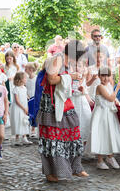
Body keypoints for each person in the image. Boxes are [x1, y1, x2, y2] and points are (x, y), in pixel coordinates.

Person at [37, 40, 89, 182]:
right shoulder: (58, 59)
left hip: (63, 100)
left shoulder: (65, 61)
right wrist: (71, 77)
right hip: (52, 102)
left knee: (72, 130)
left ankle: (75, 167)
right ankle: (51, 173)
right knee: (52, 137)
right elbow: (51, 79)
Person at [90, 67, 120, 169]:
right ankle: (100, 160)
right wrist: (117, 89)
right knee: (101, 135)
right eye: (103, 76)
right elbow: (110, 98)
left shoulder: (109, 85)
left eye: (107, 76)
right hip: (101, 114)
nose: (105, 78)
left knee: (109, 134)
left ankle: (110, 156)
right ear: (99, 76)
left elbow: (113, 99)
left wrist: (117, 101)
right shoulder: (99, 87)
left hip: (109, 113)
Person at [70, 57, 93, 151]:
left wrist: (90, 101)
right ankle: (72, 145)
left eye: (79, 66)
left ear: (83, 68)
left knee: (85, 121)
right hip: (73, 102)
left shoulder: (83, 79)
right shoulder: (70, 78)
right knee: (73, 122)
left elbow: (85, 92)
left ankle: (83, 145)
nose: (77, 67)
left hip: (82, 102)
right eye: (75, 65)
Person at [10, 71, 31, 146]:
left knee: (24, 121)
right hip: (18, 108)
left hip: (24, 107)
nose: (26, 80)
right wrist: (23, 108)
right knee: (18, 121)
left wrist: (27, 108)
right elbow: (17, 100)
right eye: (25, 78)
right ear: (21, 79)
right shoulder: (16, 89)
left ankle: (24, 137)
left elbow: (26, 99)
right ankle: (17, 138)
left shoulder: (24, 88)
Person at [25, 62, 39, 137]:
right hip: (27, 98)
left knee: (34, 114)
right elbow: (24, 87)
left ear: (30, 70)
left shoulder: (36, 78)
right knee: (27, 114)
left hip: (34, 98)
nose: (24, 70)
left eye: (26, 69)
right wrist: (26, 95)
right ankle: (27, 129)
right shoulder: (26, 79)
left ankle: (33, 129)